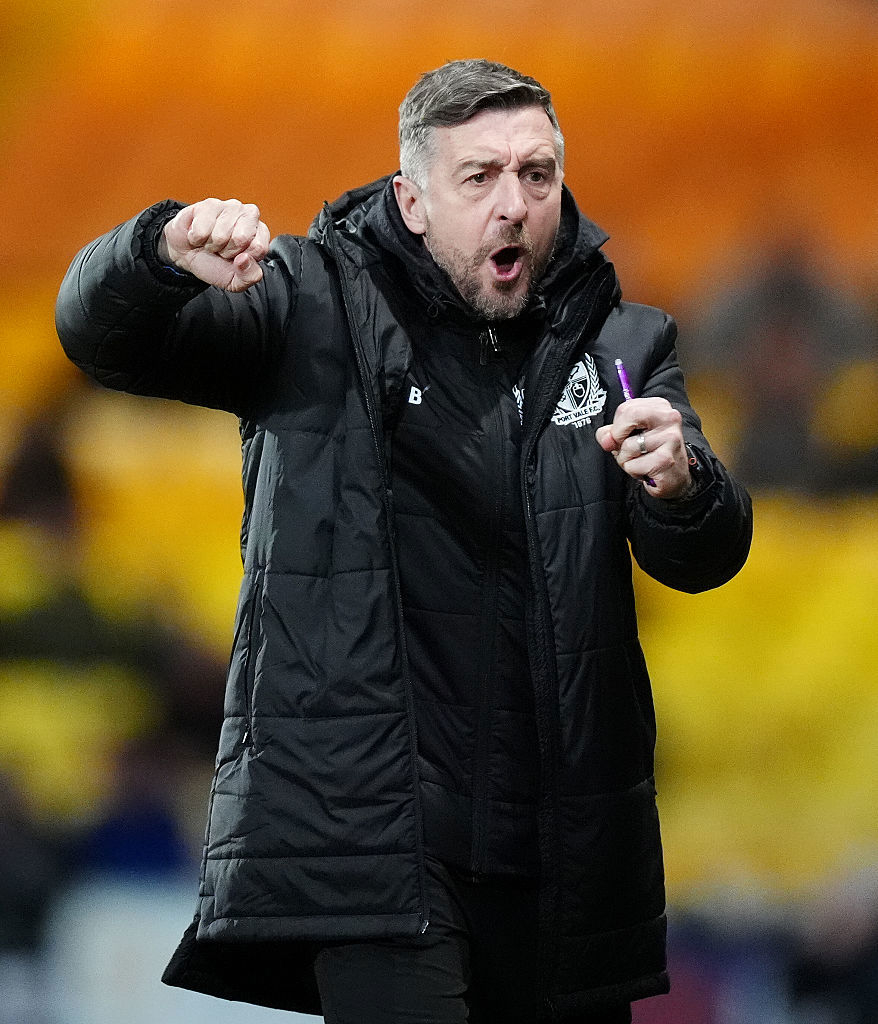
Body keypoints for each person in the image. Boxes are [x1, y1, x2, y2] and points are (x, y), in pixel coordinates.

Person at [55, 59, 752, 1024]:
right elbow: (100, 337)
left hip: (563, 855)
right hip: (376, 845)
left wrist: (684, 485)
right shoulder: (303, 303)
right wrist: (158, 251)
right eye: (480, 177)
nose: (514, 205)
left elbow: (706, 556)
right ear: (412, 201)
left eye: (537, 174)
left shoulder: (624, 346)